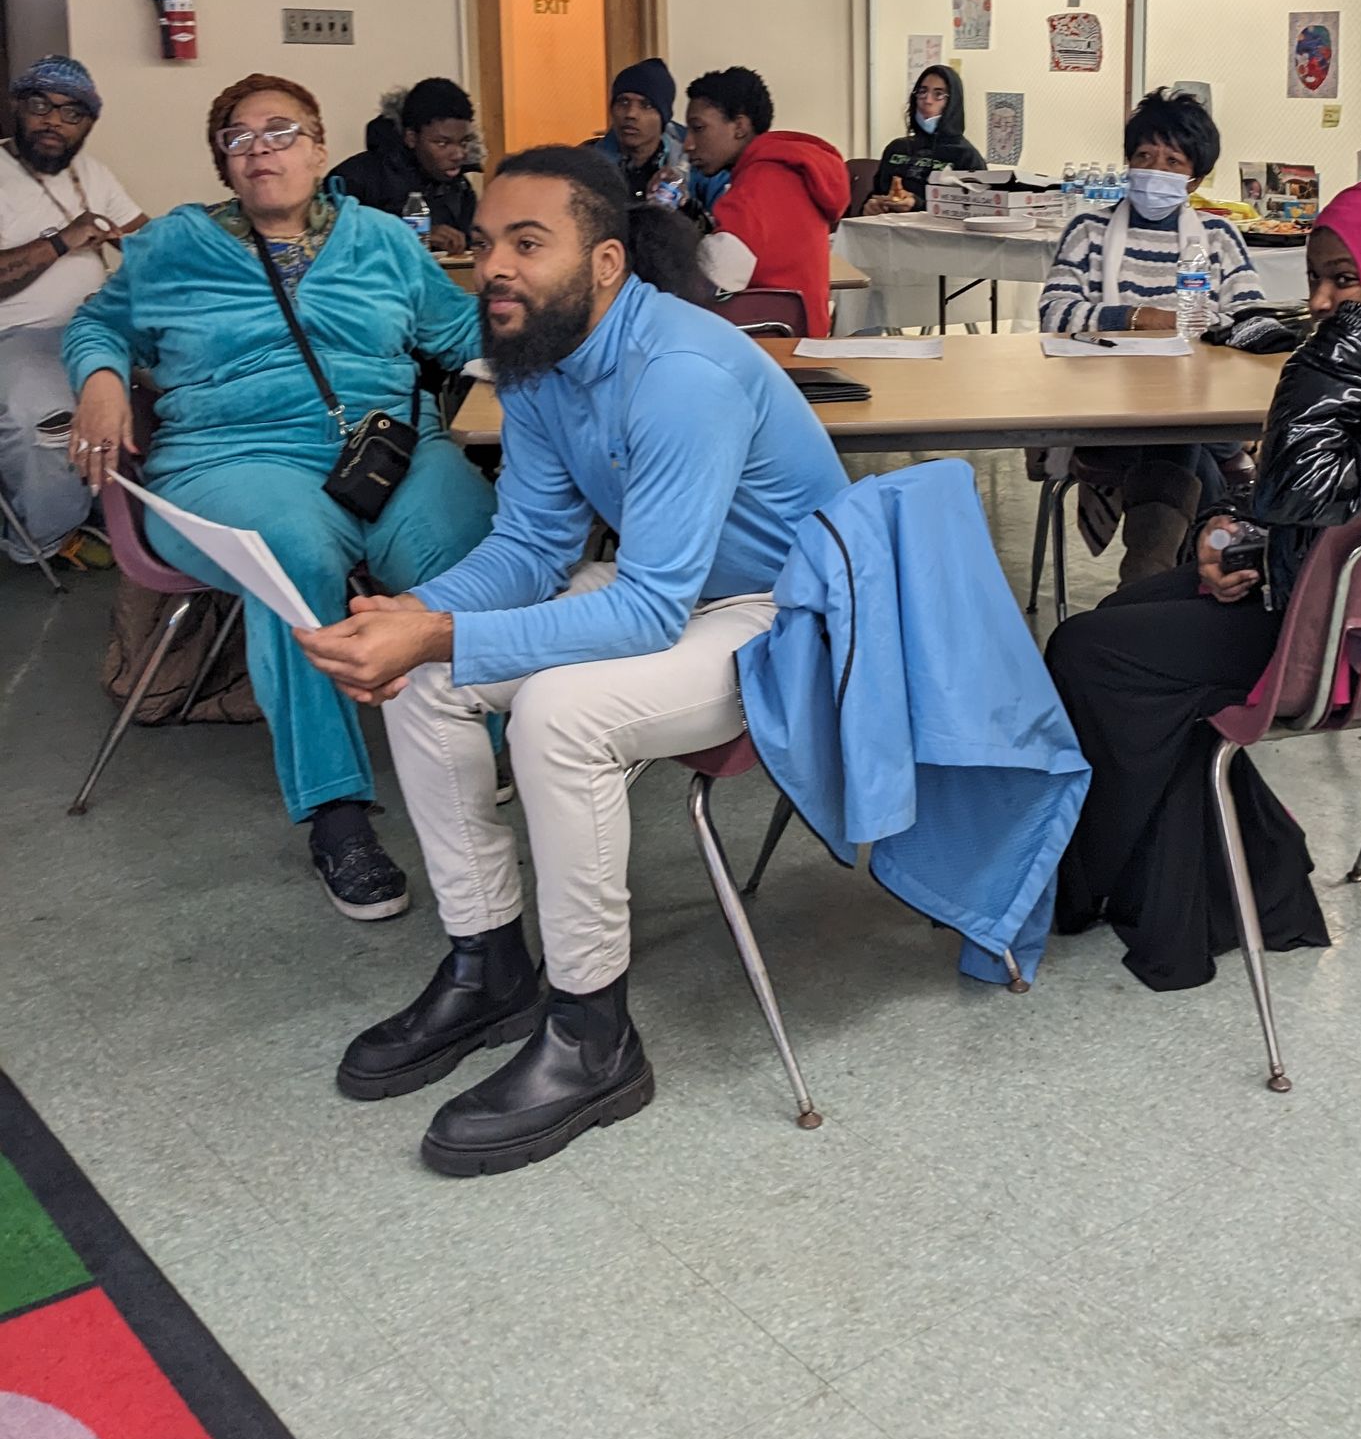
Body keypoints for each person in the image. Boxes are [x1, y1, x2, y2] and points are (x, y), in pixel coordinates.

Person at [294, 145, 847, 1177]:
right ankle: (490, 963)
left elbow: (643, 610)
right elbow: (530, 550)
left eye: (527, 243)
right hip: (675, 595)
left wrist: (438, 628)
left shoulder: (680, 371)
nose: (493, 265)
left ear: (603, 262)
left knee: (558, 713)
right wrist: (410, 617)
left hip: (787, 615)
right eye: (490, 239)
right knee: (424, 676)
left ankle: (594, 1036)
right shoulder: (537, 360)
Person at [1047, 177, 1361, 990]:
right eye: (1315, 280)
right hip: (1330, 604)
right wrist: (1231, 529)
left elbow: (1304, 487)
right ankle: (1235, 878)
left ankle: (1091, 880)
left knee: (1094, 652)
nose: (1321, 301)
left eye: (1343, 280)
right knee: (1132, 611)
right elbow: (1305, 499)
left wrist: (1352, 335)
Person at [64, 74, 495, 918]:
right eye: (239, 138)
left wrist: (582, 329)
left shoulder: (382, 240)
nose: (261, 149)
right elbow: (96, 323)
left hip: (386, 450)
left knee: (477, 539)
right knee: (287, 559)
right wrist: (103, 378)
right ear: (224, 165)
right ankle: (336, 813)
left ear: (321, 148)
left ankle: (490, 743)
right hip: (231, 458)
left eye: (281, 131)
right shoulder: (172, 249)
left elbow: (459, 332)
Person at [1037, 86, 1272, 580]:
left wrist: (1204, 328)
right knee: (1181, 446)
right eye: (1144, 156)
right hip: (1110, 411)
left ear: (1195, 179)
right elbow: (1055, 313)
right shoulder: (1089, 231)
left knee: (1180, 430)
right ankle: (1174, 583)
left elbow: (1250, 322)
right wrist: (1145, 319)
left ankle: (1147, 584)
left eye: (1172, 160)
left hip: (1204, 408)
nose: (1155, 171)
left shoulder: (1218, 237)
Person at [0, 57, 145, 568]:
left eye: (72, 113)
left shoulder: (93, 173)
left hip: (98, 326)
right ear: (18, 107)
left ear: (87, 124)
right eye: (41, 105)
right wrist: (63, 241)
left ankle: (130, 508)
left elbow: (144, 237)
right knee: (45, 417)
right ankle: (44, 537)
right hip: (18, 335)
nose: (53, 122)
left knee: (186, 381)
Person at [683, 66, 850, 338]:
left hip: (768, 348)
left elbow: (710, 279)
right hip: (806, 340)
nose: (688, 143)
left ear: (739, 126)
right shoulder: (790, 171)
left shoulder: (759, 186)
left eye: (698, 128)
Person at [333, 77, 479, 252]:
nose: (458, 154)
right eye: (442, 143)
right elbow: (330, 245)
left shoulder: (460, 188)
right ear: (411, 138)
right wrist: (412, 235)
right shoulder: (354, 179)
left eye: (463, 142)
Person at [864, 63, 985, 212]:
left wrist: (917, 205)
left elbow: (975, 210)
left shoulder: (965, 155)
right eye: (922, 91)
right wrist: (869, 208)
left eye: (938, 94)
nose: (927, 100)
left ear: (952, 103)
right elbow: (876, 193)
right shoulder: (897, 148)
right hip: (885, 230)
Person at [592, 59, 686, 208]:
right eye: (623, 102)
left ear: (663, 117)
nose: (631, 113)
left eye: (646, 105)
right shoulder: (587, 164)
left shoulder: (692, 165)